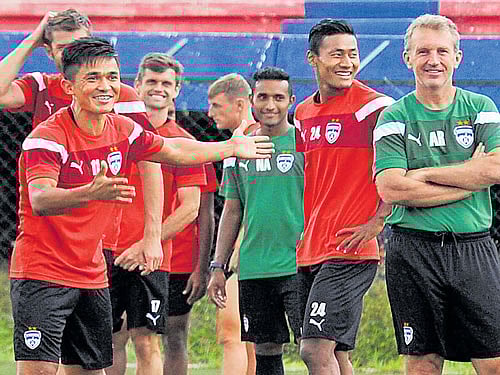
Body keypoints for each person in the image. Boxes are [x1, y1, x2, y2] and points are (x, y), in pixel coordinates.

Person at [10, 37, 272, 375]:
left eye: (112, 77)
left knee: (91, 370)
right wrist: (90, 192)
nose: (106, 86)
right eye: (93, 78)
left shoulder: (123, 129)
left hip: (90, 274)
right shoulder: (48, 137)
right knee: (40, 371)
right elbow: (40, 199)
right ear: (68, 86)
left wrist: (231, 147)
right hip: (42, 273)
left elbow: (175, 151)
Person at [374, 14, 500, 375]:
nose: (433, 60)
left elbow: (495, 169)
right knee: (422, 361)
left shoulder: (480, 108)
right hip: (412, 249)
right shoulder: (394, 116)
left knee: (492, 360)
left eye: (442, 51)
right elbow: (391, 187)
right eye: (423, 51)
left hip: (473, 247)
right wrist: (468, 180)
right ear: (407, 58)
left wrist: (425, 175)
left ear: (457, 58)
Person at [0, 8, 163, 275]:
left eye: (81, 44)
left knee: (110, 316)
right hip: (46, 238)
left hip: (100, 237)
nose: (72, 52)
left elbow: (151, 160)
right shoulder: (43, 86)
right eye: (63, 47)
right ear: (49, 51)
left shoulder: (117, 94)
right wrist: (32, 39)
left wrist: (152, 235)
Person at [293, 19, 394, 375]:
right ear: (313, 59)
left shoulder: (375, 107)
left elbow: (402, 166)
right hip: (311, 248)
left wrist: (378, 220)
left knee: (313, 349)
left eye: (352, 54)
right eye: (337, 54)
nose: (347, 62)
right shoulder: (303, 112)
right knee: (336, 355)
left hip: (350, 248)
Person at [208, 66, 304, 375]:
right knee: (265, 352)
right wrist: (218, 266)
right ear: (252, 101)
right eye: (263, 97)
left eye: (278, 97)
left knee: (315, 348)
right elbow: (232, 210)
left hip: (300, 264)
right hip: (255, 267)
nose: (270, 105)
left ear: (290, 100)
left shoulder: (305, 143)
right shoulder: (240, 147)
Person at [207, 73, 257, 375]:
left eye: (216, 105)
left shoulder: (248, 142)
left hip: (252, 253)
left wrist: (231, 254)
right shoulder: (238, 143)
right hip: (249, 252)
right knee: (251, 340)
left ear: (240, 104)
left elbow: (245, 206)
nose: (211, 113)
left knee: (232, 332)